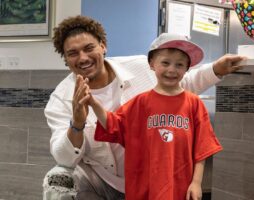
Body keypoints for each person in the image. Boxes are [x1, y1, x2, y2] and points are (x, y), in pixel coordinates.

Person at [43, 15, 244, 200]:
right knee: (58, 179)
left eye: (89, 48)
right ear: (66, 59)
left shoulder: (140, 67)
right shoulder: (61, 99)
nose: (83, 58)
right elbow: (64, 159)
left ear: (103, 46)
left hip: (148, 180)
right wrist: (77, 123)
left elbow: (181, 89)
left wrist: (217, 69)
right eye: (73, 53)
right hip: (99, 181)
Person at [81, 33, 223, 200]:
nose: (172, 69)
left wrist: (197, 183)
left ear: (187, 68)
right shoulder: (140, 103)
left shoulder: (194, 104)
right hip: (143, 187)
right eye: (165, 63)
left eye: (179, 64)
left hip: (180, 187)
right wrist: (93, 103)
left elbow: (202, 148)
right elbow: (113, 125)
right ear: (151, 64)